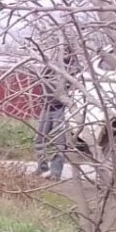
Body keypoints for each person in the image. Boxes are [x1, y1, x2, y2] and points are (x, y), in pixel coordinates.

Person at [34, 51, 74, 180]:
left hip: (60, 108)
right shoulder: (49, 66)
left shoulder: (71, 68)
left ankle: (55, 172)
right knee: (39, 139)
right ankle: (42, 168)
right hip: (47, 106)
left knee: (59, 142)